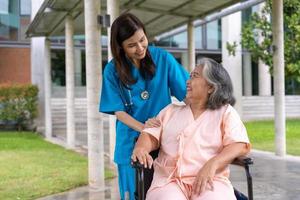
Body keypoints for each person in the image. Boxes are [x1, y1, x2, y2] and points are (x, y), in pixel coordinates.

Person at [131, 58, 251, 200]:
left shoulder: (225, 112)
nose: (188, 81)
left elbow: (239, 144)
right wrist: (141, 148)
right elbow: (150, 135)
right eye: (189, 76)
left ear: (211, 87)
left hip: (211, 180)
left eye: (195, 76)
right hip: (169, 181)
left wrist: (213, 164)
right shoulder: (170, 110)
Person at [99, 13, 189, 200]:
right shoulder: (112, 70)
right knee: (134, 194)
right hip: (129, 143)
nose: (140, 48)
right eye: (132, 45)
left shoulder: (163, 58)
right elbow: (119, 112)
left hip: (164, 144)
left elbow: (189, 95)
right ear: (120, 48)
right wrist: (145, 129)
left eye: (142, 40)